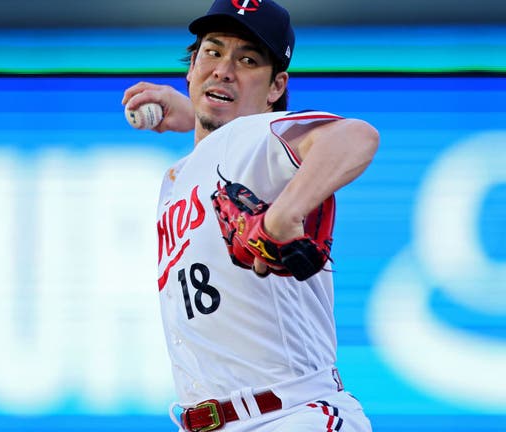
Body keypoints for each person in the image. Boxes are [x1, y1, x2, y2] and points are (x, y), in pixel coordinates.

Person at [122, 1, 379, 430]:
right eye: (212, 51)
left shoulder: (252, 137)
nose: (224, 69)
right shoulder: (193, 167)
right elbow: (220, 147)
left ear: (277, 87)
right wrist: (193, 116)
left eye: (247, 60)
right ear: (190, 67)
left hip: (290, 417)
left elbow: (356, 136)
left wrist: (285, 214)